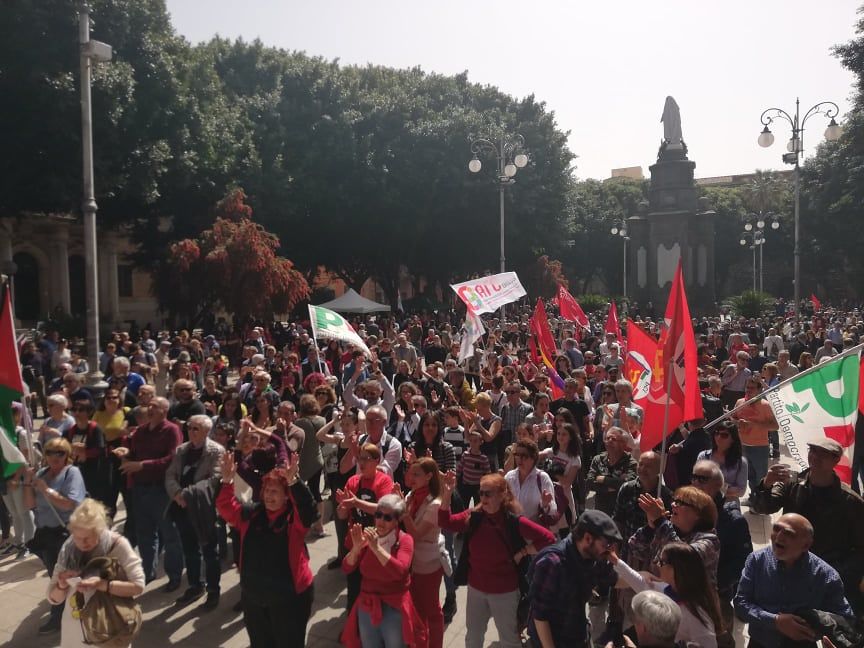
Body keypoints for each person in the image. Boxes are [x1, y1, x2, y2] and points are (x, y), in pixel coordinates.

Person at [438, 472, 555, 648]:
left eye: (488, 493)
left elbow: (548, 539)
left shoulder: (514, 522)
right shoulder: (474, 516)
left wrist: (524, 551)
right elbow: (445, 522)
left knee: (509, 640)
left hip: (505, 593)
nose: (483, 497)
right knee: (473, 637)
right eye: (481, 493)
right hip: (476, 590)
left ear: (502, 495)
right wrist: (447, 495)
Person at [751, 438, 864, 615]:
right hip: (789, 569)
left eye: (824, 454)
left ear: (836, 460)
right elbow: (763, 507)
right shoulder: (792, 484)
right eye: (813, 451)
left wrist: (837, 573)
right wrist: (766, 484)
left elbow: (860, 549)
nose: (816, 457)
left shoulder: (850, 501)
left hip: (826, 577)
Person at [217, 452, 319, 647]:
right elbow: (226, 507)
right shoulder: (251, 513)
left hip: (289, 599)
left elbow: (308, 511)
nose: (269, 496)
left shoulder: (293, 519)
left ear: (286, 497)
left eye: (275, 492)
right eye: (267, 491)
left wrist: (294, 482)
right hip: (254, 597)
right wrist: (227, 480)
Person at [734, 513, 853, 648]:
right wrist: (775, 621)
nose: (779, 537)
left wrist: (814, 630)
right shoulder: (757, 560)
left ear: (806, 545)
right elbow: (741, 603)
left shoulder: (826, 576)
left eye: (789, 534)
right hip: (760, 643)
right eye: (776, 529)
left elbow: (845, 620)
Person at [47, 498, 145, 648]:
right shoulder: (68, 548)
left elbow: (138, 586)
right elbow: (53, 598)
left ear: (100, 530)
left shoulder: (118, 545)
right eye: (78, 537)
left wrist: (102, 584)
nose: (82, 543)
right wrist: (61, 586)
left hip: (110, 626)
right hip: (75, 630)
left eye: (88, 538)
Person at [113, 396, 184, 590]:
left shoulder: (172, 430)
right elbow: (133, 453)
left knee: (170, 535)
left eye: (155, 406)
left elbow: (172, 459)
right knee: (145, 534)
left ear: (164, 410)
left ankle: (175, 575)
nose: (150, 409)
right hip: (140, 489)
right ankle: (147, 571)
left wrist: (141, 465)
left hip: (161, 490)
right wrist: (125, 453)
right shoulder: (141, 431)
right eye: (148, 405)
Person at [341, 494, 425, 648]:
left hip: (394, 609)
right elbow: (346, 567)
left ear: (397, 520)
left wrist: (377, 548)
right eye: (378, 515)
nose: (381, 521)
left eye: (388, 517)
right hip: (367, 606)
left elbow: (400, 571)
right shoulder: (368, 537)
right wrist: (356, 548)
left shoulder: (405, 540)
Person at [528, 509, 620, 648]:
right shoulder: (552, 564)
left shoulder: (593, 558)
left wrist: (646, 581)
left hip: (577, 635)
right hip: (552, 640)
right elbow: (540, 615)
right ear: (588, 538)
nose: (609, 552)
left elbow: (615, 580)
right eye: (605, 546)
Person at [22, 437, 87, 634]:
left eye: (60, 452)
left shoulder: (71, 473)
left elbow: (69, 503)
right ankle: (64, 610)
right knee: (57, 575)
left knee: (65, 575)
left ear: (67, 455)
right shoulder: (41, 473)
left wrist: (46, 489)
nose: (54, 457)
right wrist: (27, 483)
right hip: (46, 535)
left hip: (67, 533)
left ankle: (62, 616)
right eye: (50, 452)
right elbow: (30, 505)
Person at [610, 542, 722, 648]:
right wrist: (615, 560)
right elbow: (637, 581)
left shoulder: (697, 616)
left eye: (662, 562)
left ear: (676, 569)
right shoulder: (665, 589)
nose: (657, 565)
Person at [164, 414, 225, 609]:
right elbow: (170, 475)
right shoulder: (181, 450)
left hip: (204, 509)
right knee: (190, 550)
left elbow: (214, 480)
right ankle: (194, 585)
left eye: (196, 428)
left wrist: (188, 495)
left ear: (207, 431)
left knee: (209, 552)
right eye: (189, 427)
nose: (191, 431)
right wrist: (177, 494)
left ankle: (213, 590)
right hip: (182, 507)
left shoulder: (216, 451)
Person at [690, 460, 752, 644]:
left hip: (717, 599)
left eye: (702, 479)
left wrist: (716, 585)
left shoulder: (732, 520)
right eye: (693, 477)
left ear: (717, 485)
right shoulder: (684, 509)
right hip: (684, 595)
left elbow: (742, 561)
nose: (695, 483)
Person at [336, 443, 395, 610]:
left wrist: (355, 502)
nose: (361, 462)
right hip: (354, 544)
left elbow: (383, 509)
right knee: (353, 589)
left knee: (375, 592)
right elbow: (341, 516)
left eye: (366, 459)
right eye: (360, 458)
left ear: (377, 461)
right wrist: (343, 507)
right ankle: (352, 629)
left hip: (376, 546)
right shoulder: (353, 481)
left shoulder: (384, 481)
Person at [628, 486, 720, 587]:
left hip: (691, 602)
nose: (672, 505)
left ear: (698, 514)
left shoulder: (710, 541)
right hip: (661, 598)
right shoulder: (668, 531)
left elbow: (683, 559)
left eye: (680, 503)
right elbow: (635, 549)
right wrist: (651, 527)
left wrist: (660, 521)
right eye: (674, 501)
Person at [401, 458, 447, 648]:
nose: (412, 478)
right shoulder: (412, 495)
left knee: (431, 610)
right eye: (411, 473)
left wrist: (403, 513)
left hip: (428, 565)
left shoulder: (435, 503)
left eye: (417, 474)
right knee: (416, 607)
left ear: (429, 477)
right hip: (412, 562)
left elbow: (416, 533)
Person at [731, 376, 775, 498]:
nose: (748, 390)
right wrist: (737, 422)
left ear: (759, 390)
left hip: (759, 447)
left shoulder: (765, 405)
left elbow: (775, 426)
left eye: (752, 388)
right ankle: (753, 498)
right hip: (742, 445)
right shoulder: (740, 402)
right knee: (749, 475)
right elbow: (732, 418)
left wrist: (753, 424)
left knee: (760, 477)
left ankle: (761, 501)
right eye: (747, 387)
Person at [294, 394, 326, 537]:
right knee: (316, 491)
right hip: (317, 460)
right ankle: (319, 525)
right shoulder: (322, 420)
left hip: (303, 462)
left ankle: (304, 521)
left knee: (300, 492)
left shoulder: (299, 423)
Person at [588, 426, 638, 516]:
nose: (609, 441)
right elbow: (590, 482)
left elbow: (629, 485)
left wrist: (603, 479)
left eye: (614, 439)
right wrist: (609, 488)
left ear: (624, 444)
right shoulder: (598, 459)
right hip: (601, 510)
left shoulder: (631, 463)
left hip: (621, 513)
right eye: (607, 438)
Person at [504, 440, 557, 525]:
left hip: (534, 532)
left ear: (533, 458)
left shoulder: (542, 478)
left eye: (524, 456)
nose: (519, 459)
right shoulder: (509, 477)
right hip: (512, 531)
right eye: (517, 455)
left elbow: (553, 511)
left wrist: (545, 505)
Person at [696, 421, 748, 499]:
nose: (718, 437)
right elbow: (697, 483)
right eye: (716, 433)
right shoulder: (703, 456)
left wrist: (713, 487)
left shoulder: (741, 462)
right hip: (706, 502)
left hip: (729, 503)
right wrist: (727, 488)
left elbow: (741, 491)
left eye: (724, 435)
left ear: (733, 439)